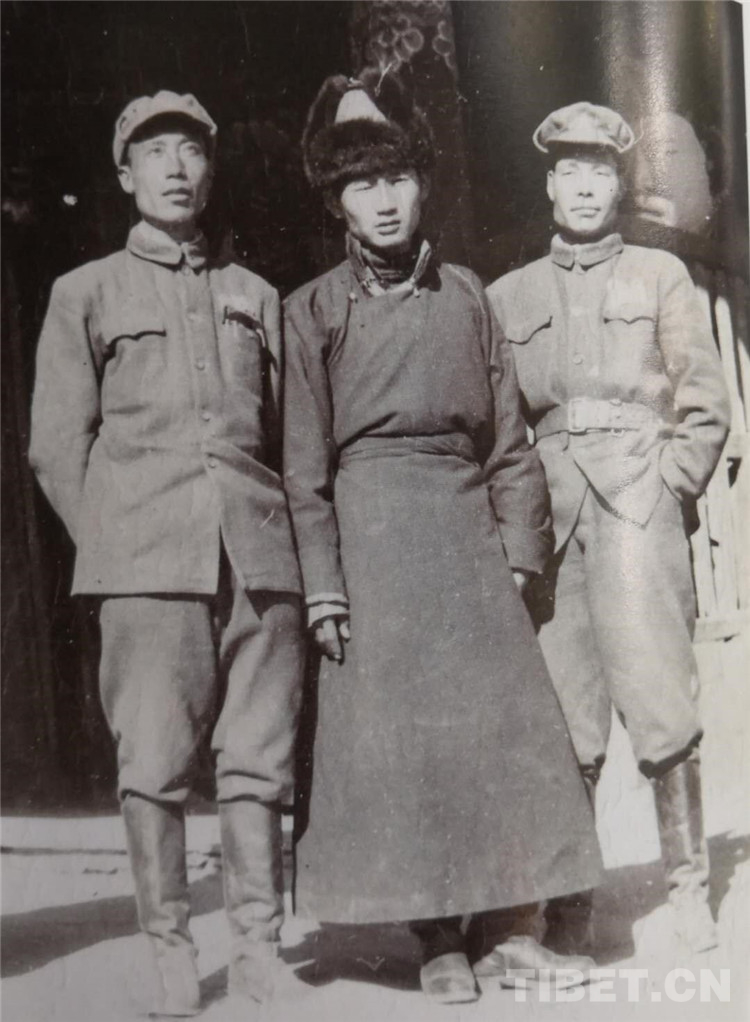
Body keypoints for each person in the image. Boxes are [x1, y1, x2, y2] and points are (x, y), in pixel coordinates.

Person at [283, 69, 601, 1005]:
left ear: (422, 185)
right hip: (373, 545)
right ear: (337, 202)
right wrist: (325, 587)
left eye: (396, 180)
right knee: (403, 744)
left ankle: (506, 930)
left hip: (468, 545)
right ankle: (434, 938)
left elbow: (509, 445)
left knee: (503, 733)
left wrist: (520, 556)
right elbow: (303, 472)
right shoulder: (312, 311)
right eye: (361, 185)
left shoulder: (467, 296)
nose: (383, 201)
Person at [29, 91, 305, 1016]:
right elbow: (55, 446)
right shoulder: (85, 293)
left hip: (258, 560)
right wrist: (117, 542)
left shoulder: (255, 295)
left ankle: (259, 951)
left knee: (259, 761)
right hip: (146, 565)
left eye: (191, 152)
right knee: (152, 762)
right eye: (155, 154)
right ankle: (173, 957)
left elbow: (285, 436)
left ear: (211, 174)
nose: (176, 169)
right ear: (125, 175)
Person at [487, 102, 731, 958]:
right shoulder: (507, 295)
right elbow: (499, 427)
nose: (586, 187)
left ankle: (689, 890)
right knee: (566, 717)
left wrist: (669, 486)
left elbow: (706, 406)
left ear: (619, 185)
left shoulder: (661, 277)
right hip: (553, 523)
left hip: (638, 509)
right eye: (571, 171)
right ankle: (570, 911)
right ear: (550, 186)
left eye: (600, 171)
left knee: (661, 702)